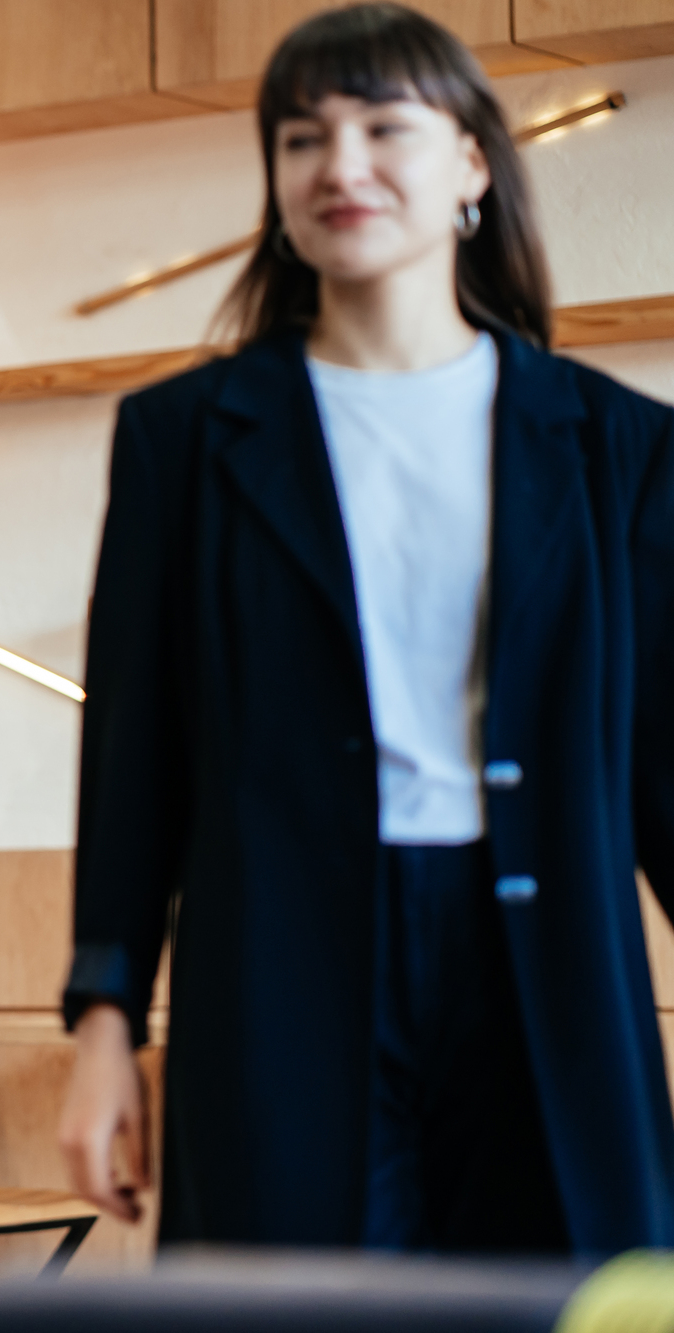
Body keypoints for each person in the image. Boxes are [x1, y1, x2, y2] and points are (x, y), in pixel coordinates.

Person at [57, 2, 674, 1255]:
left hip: (544, 958)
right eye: (299, 137)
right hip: (278, 963)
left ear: (469, 165)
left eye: (382, 126)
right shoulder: (184, 439)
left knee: (566, 1294)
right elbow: (135, 757)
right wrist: (103, 1020)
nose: (337, 165)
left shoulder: (616, 445)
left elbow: (663, 751)